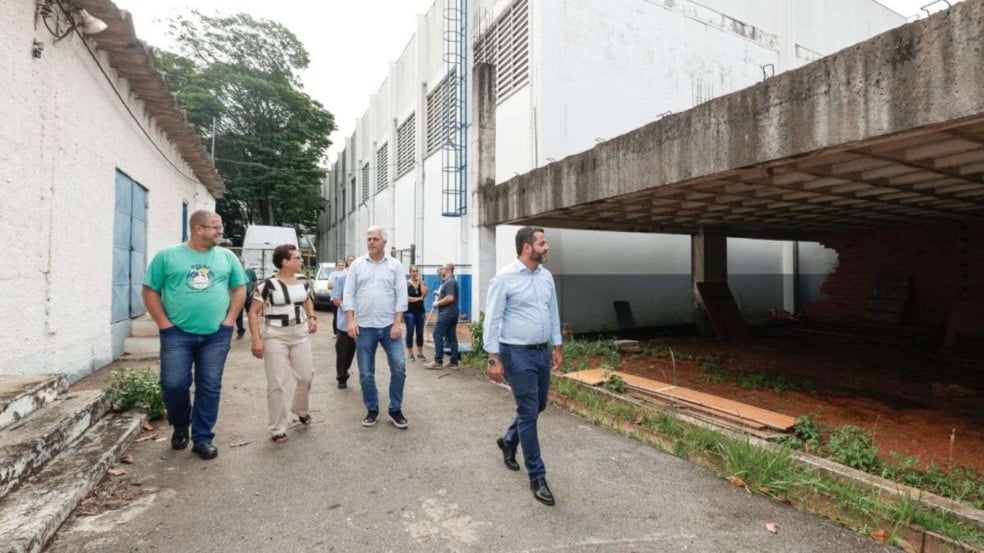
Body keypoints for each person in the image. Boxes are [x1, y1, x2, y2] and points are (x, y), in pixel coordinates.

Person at [142, 210, 247, 461]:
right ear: (198, 229)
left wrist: (229, 321)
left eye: (220, 227)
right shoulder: (168, 257)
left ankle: (202, 438)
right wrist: (164, 324)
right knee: (174, 384)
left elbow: (240, 289)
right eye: (215, 227)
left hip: (216, 335)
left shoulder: (227, 257)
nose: (219, 232)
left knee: (209, 385)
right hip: (176, 333)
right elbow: (149, 291)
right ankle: (180, 424)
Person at [483, 226, 563, 506]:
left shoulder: (546, 277)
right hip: (516, 354)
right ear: (528, 247)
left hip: (541, 353)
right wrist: (493, 358)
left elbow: (552, 312)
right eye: (543, 243)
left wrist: (557, 346)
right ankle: (537, 476)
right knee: (528, 410)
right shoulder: (504, 279)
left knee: (538, 406)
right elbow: (492, 320)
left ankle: (508, 440)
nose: (547, 247)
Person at [248, 244, 318, 443]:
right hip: (275, 335)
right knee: (277, 382)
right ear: (284, 262)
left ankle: (300, 409)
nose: (301, 261)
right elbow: (253, 312)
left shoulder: (304, 280)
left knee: (305, 376)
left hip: (300, 333)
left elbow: (307, 299)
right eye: (297, 258)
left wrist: (311, 317)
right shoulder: (267, 285)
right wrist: (256, 339)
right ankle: (278, 427)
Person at [342, 226, 410, 429]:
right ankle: (372, 409)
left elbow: (401, 295)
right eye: (369, 238)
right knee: (365, 372)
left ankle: (395, 409)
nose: (371, 242)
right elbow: (348, 294)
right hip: (364, 327)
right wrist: (351, 321)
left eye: (375, 239)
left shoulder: (395, 266)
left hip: (390, 327)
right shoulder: (357, 265)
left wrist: (397, 323)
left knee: (399, 367)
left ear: (384, 242)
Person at [425, 262, 459, 370]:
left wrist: (437, 303)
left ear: (448, 270)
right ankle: (454, 362)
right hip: (452, 313)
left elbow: (450, 298)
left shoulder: (450, 282)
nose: (441, 270)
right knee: (451, 337)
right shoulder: (450, 282)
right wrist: (439, 295)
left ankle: (438, 361)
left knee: (437, 334)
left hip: (447, 314)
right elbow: (447, 295)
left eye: (442, 268)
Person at [331, 257, 355, 389]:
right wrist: (347, 305)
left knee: (351, 352)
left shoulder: (363, 281)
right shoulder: (341, 280)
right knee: (342, 352)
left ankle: (346, 370)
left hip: (362, 323)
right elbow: (336, 299)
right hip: (344, 324)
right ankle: (341, 377)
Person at [405, 265, 428, 361]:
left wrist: (421, 282)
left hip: (420, 312)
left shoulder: (422, 283)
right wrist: (418, 298)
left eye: (416, 271)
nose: (415, 273)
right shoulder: (406, 284)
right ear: (410, 272)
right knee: (410, 332)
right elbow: (406, 299)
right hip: (409, 312)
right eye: (413, 271)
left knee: (420, 332)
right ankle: (410, 354)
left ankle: (420, 353)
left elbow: (425, 293)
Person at [235, 257, 258, 339]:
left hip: (248, 294)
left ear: (244, 263)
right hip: (238, 295)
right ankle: (240, 331)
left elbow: (255, 281)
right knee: (238, 314)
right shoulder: (235, 272)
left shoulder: (250, 271)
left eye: (241, 262)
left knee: (251, 313)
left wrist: (253, 291)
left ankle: (255, 331)